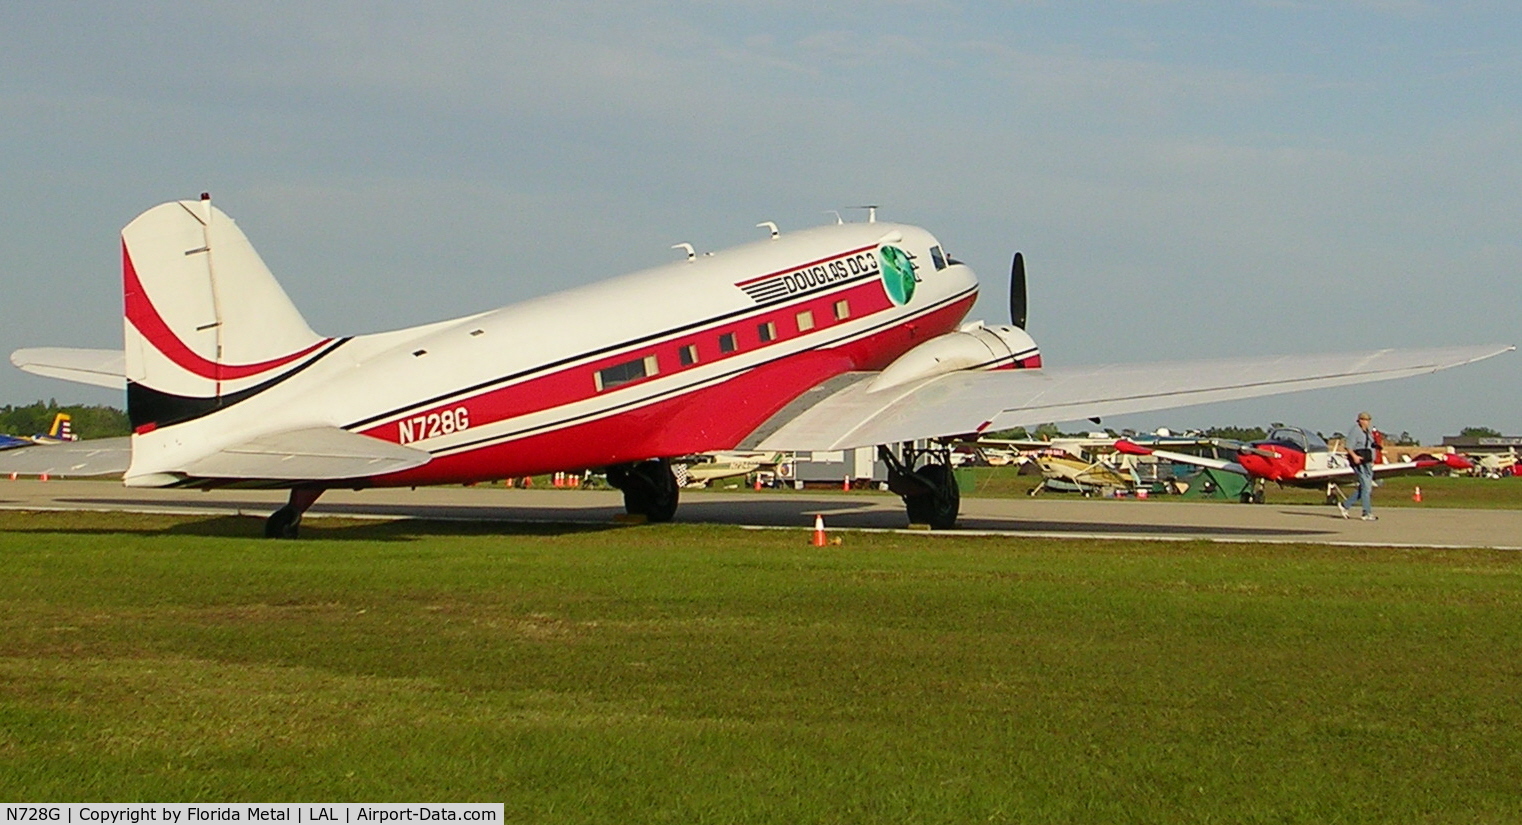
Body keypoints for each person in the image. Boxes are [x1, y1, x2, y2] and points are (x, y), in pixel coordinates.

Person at [1341, 411, 1377, 521]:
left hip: (1367, 461)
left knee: (1366, 487)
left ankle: (1345, 505)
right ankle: (1366, 512)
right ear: (1359, 420)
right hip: (1359, 461)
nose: (1366, 422)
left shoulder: (1368, 432)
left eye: (1368, 420)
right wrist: (1354, 457)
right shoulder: (1355, 431)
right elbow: (1348, 446)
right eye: (1364, 420)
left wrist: (1372, 460)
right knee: (1366, 487)